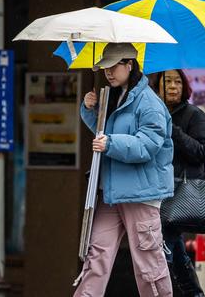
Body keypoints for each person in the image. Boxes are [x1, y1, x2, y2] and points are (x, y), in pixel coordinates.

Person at [74, 43, 174, 296]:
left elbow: (147, 145)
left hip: (141, 194)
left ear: (130, 65)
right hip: (113, 192)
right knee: (96, 256)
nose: (108, 72)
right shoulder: (118, 95)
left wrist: (111, 143)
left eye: (114, 65)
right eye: (105, 66)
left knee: (148, 264)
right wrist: (90, 110)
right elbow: (104, 134)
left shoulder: (148, 102)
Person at [152, 69, 205, 297]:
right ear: (157, 85)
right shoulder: (151, 113)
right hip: (154, 190)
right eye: (168, 81)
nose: (173, 86)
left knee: (165, 245)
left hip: (180, 193)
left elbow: (202, 152)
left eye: (178, 81)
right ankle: (194, 294)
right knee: (173, 247)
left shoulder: (194, 115)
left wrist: (173, 130)